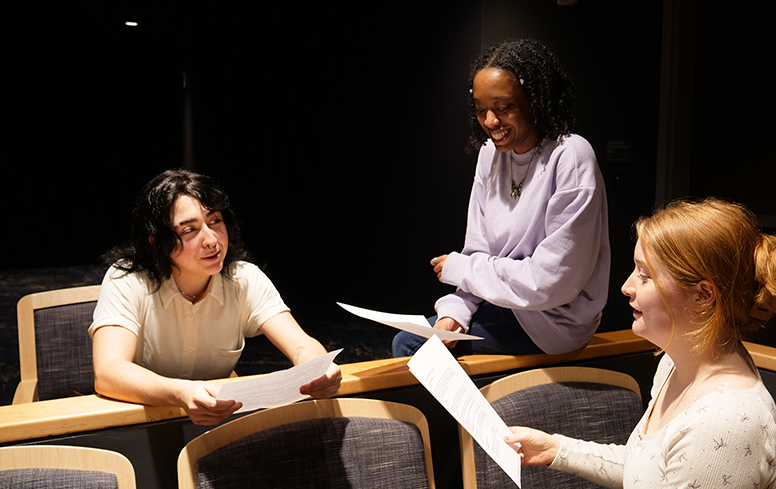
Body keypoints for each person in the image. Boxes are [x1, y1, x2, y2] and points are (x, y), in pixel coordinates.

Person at [478, 198, 776, 489]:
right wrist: (557, 450)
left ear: (704, 295)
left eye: (644, 274)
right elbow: (656, 469)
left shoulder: (725, 422)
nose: (626, 286)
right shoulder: (676, 363)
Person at [392, 38, 611, 357]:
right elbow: (477, 250)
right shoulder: (489, 156)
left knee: (410, 349)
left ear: (535, 101)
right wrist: (455, 313)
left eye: (503, 108)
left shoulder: (571, 156)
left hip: (554, 322)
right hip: (503, 304)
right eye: (482, 111)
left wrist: (463, 269)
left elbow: (551, 282)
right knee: (419, 340)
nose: (491, 122)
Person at [90, 169, 341, 425]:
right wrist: (181, 392)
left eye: (215, 222)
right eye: (189, 230)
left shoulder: (244, 278)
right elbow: (109, 372)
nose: (211, 240)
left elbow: (300, 343)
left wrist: (317, 369)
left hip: (218, 420)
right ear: (156, 242)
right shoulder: (127, 280)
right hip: (142, 422)